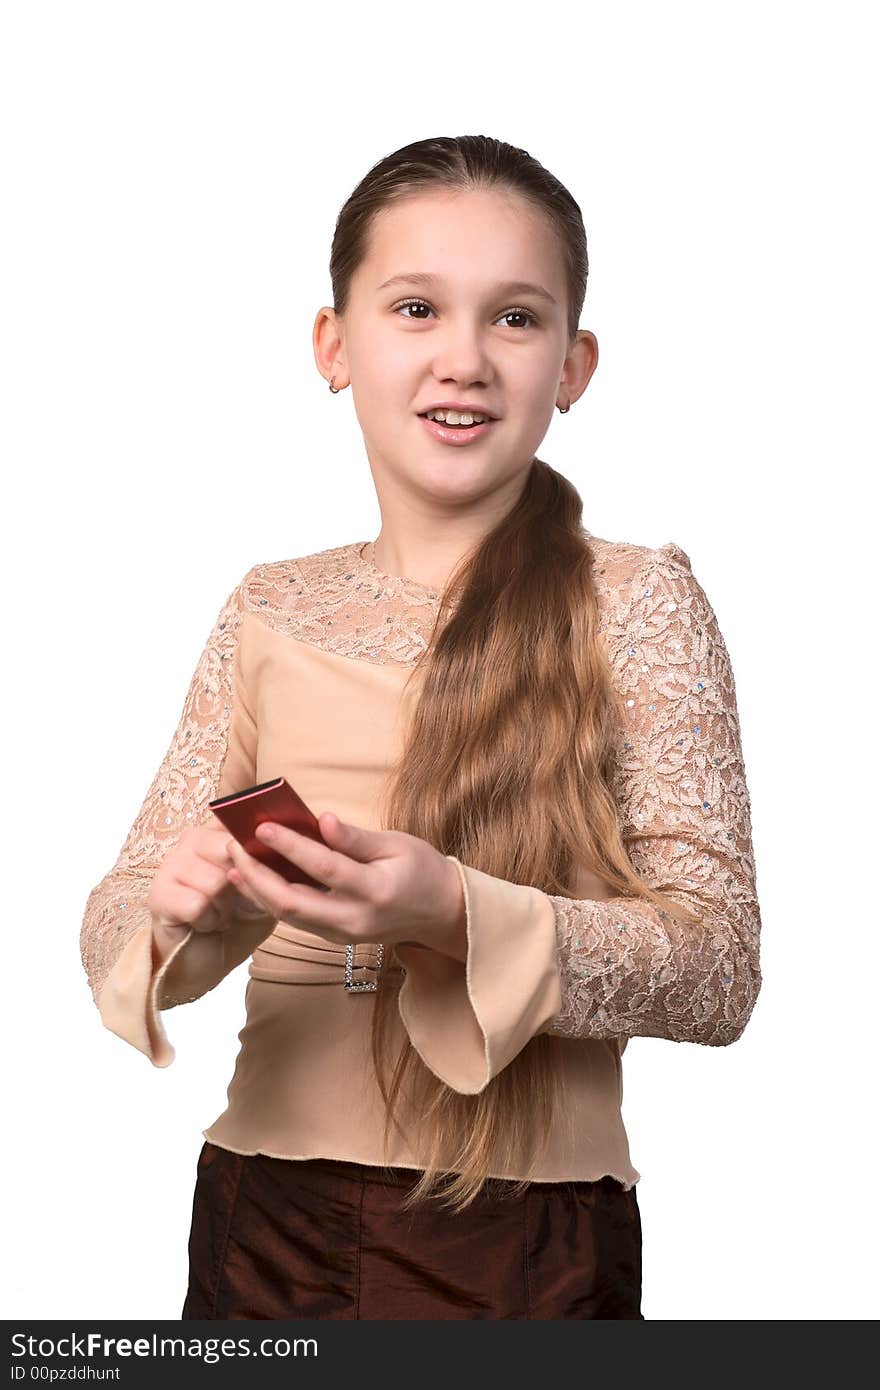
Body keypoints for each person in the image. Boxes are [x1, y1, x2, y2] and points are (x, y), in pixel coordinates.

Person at [80, 133, 763, 1321]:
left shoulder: (640, 603)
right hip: (266, 1220)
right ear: (333, 346)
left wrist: (452, 911)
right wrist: (186, 905)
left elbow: (717, 971)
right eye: (414, 308)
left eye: (513, 317)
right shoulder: (270, 605)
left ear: (572, 364)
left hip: (528, 1243)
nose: (463, 359)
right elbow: (116, 915)